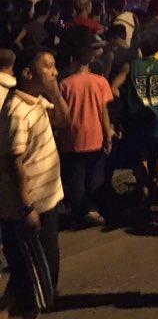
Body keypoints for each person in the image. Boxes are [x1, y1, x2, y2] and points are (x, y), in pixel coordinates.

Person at [0, 47, 70, 318]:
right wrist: (27, 206)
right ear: (28, 73)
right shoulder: (16, 111)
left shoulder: (37, 101)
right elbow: (13, 161)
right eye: (48, 66)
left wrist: (56, 93)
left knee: (41, 270)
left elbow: (63, 121)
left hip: (47, 199)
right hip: (27, 207)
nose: (55, 72)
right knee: (32, 277)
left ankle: (14, 305)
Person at [111, 29, 158, 209]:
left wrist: (127, 98)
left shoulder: (130, 66)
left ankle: (144, 190)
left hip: (136, 120)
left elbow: (113, 88)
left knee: (141, 156)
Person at [57, 38, 113, 228]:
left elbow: (61, 113)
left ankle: (78, 213)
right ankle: (92, 209)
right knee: (95, 175)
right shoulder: (100, 82)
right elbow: (103, 112)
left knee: (76, 176)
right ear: (91, 59)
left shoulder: (64, 84)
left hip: (71, 137)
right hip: (95, 135)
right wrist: (108, 135)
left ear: (72, 59)